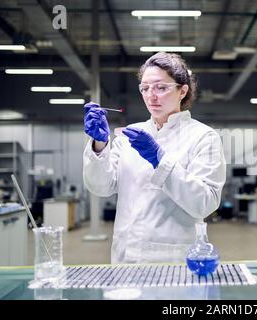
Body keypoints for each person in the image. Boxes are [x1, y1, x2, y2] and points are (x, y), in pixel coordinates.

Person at [83, 52, 226, 264]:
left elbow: (205, 204)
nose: (152, 95)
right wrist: (99, 145)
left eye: (161, 87)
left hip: (171, 261)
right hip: (124, 257)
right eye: (145, 88)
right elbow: (100, 187)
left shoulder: (203, 137)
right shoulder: (130, 134)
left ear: (182, 90)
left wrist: (160, 160)